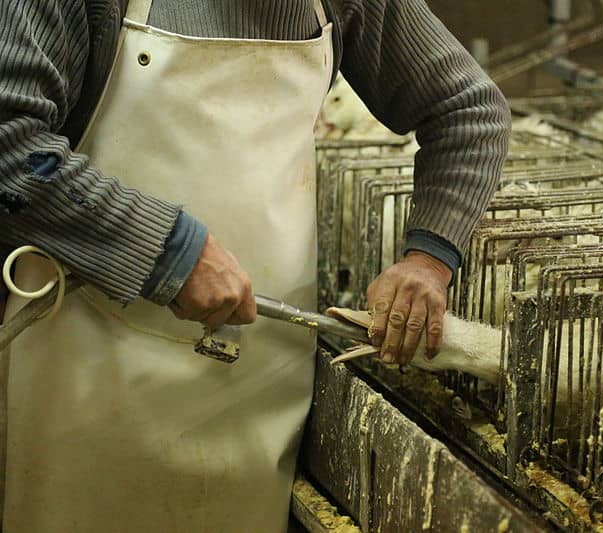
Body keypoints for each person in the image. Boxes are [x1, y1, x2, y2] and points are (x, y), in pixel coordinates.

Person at [0, 0, 510, 531]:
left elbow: (468, 110)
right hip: (85, 370)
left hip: (256, 385)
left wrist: (429, 260)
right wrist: (169, 251)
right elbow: (10, 145)